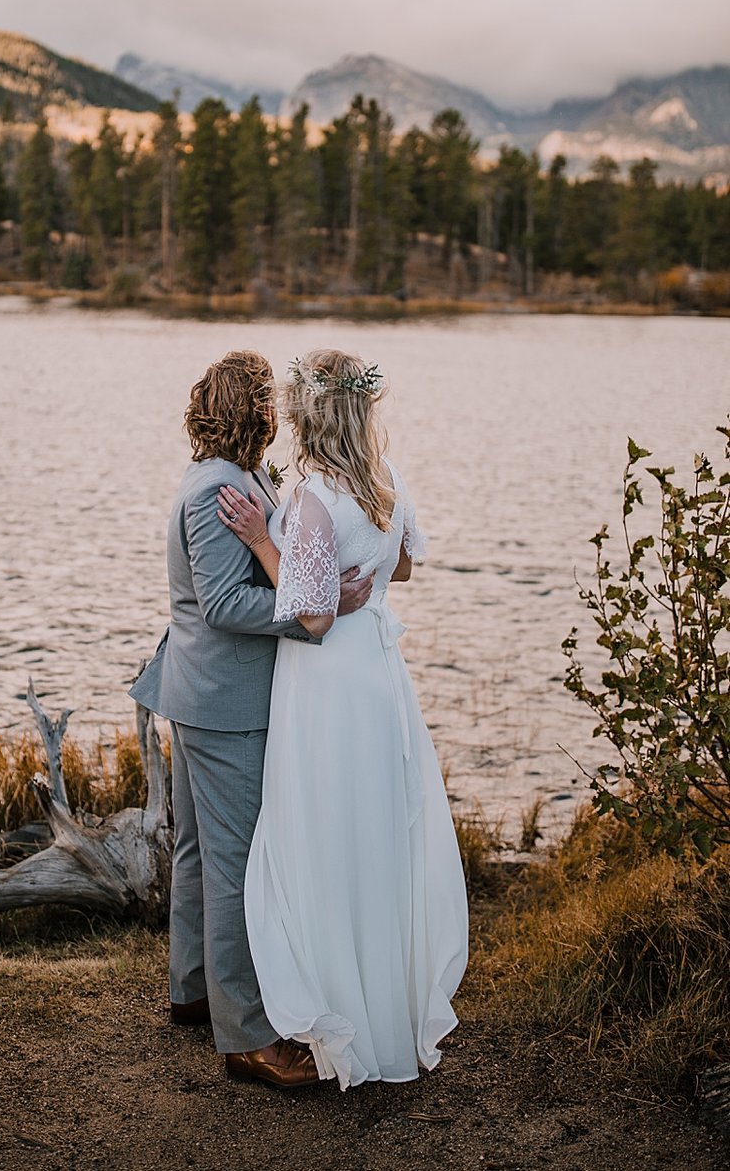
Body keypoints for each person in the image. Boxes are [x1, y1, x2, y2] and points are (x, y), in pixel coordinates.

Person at [216, 348, 469, 1090]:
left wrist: (265, 540)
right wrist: (352, 571)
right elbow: (405, 569)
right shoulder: (387, 483)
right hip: (380, 681)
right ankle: (388, 1010)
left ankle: (338, 1012)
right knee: (377, 833)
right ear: (359, 412)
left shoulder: (313, 499)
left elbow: (316, 617)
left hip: (325, 684)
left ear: (307, 416)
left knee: (324, 833)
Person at [129, 350, 373, 1089]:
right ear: (254, 412)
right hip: (222, 703)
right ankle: (247, 1038)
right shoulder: (216, 489)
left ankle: (194, 990)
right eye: (270, 402)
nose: (279, 414)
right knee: (235, 865)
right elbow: (222, 605)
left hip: (208, 695)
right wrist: (313, 616)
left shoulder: (244, 476)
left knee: (201, 853)